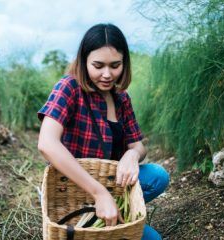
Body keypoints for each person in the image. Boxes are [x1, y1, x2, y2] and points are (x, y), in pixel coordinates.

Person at [37, 23, 169, 240]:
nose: (107, 74)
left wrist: (132, 155)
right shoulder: (69, 87)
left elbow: (138, 145)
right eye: (98, 66)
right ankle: (93, 221)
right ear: (84, 62)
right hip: (74, 187)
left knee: (157, 176)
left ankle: (109, 219)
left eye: (115, 65)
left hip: (112, 184)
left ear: (124, 63)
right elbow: (47, 143)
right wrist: (99, 193)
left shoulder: (121, 98)